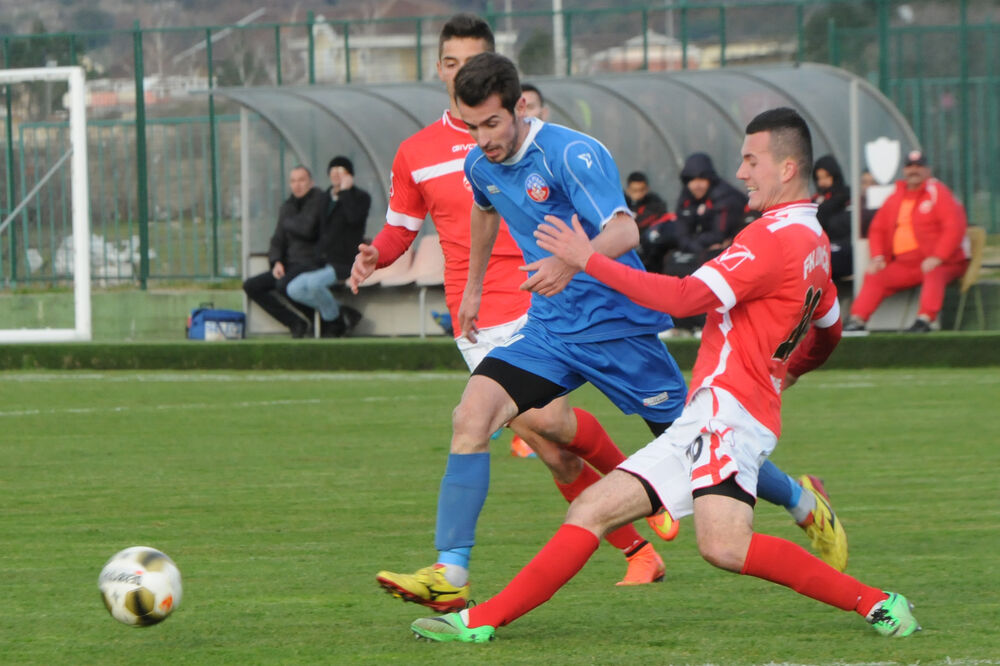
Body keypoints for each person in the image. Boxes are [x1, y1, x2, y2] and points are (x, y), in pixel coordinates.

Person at [411, 107, 919, 643]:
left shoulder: (771, 240)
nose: (741, 172)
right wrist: (791, 371)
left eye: (751, 160)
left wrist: (587, 258)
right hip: (721, 415)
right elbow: (830, 328)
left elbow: (683, 298)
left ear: (787, 167)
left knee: (715, 544)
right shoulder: (813, 242)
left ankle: (876, 600)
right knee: (604, 512)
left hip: (726, 419)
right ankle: (477, 623)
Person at [349, 15, 677, 602]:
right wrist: (381, 255)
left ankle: (652, 487)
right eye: (450, 63)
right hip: (491, 308)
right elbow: (409, 227)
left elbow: (617, 229)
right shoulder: (423, 151)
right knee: (525, 434)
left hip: (562, 297)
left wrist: (571, 260)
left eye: (470, 62)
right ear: (440, 69)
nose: (458, 73)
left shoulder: (548, 145)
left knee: (553, 429)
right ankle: (459, 573)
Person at [844, 150, 968, 333]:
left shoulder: (938, 192)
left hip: (944, 261)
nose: (914, 170)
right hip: (906, 264)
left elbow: (954, 227)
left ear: (928, 170)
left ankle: (924, 320)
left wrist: (938, 256)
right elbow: (877, 229)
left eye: (919, 166)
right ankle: (857, 320)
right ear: (904, 170)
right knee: (876, 276)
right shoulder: (896, 197)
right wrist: (878, 257)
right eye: (910, 166)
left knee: (934, 271)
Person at [286, 156, 370, 337]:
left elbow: (354, 218)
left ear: (350, 176)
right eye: (333, 172)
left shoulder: (361, 197)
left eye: (341, 172)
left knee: (314, 284)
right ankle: (341, 313)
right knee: (294, 289)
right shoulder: (325, 198)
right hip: (323, 260)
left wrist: (346, 192)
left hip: (346, 261)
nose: (336, 176)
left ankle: (333, 323)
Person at [243, 165, 326, 338]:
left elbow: (308, 229)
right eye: (293, 181)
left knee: (284, 285)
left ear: (311, 182)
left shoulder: (319, 201)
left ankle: (326, 320)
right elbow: (277, 239)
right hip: (290, 264)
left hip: (311, 261)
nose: (297, 185)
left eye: (302, 180)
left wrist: (288, 223)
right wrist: (276, 261)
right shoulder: (287, 207)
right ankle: (295, 322)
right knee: (251, 285)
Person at [668, 152, 753, 276]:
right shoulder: (686, 197)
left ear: (710, 179)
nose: (696, 185)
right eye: (692, 180)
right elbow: (681, 232)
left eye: (701, 179)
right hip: (702, 247)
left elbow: (719, 235)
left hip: (732, 249)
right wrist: (696, 246)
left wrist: (694, 243)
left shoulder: (725, 196)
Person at [624, 171, 676, 273]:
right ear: (628, 190)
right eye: (634, 190)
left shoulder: (655, 202)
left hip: (651, 248)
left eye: (641, 190)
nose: (638, 194)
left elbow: (660, 219)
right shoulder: (621, 203)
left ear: (647, 189)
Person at [812, 154, 852, 281]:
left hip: (843, 247)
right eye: (819, 178)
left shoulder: (845, 195)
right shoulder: (815, 199)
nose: (822, 182)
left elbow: (821, 216)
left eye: (826, 177)